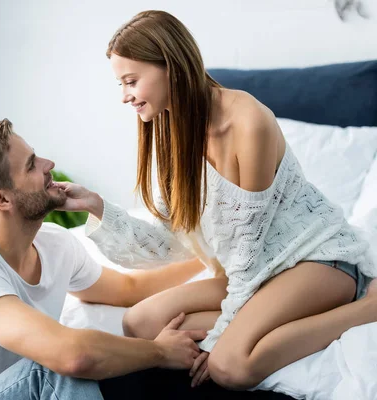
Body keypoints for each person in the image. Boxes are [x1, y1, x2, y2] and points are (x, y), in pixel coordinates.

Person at [57, 9, 377, 391]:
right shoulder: (174, 129)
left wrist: (224, 334)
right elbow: (168, 242)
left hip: (315, 259)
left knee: (230, 366)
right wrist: (96, 206)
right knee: (139, 323)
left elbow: (246, 251)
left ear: (171, 67)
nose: (124, 96)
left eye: (130, 81)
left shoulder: (248, 123)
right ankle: (275, 320)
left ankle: (366, 307)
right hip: (254, 274)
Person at [0, 118, 214, 400]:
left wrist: (211, 257)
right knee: (55, 369)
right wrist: (159, 352)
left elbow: (128, 288)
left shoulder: (53, 243)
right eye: (31, 164)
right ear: (1, 199)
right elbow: (71, 356)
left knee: (105, 362)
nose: (49, 164)